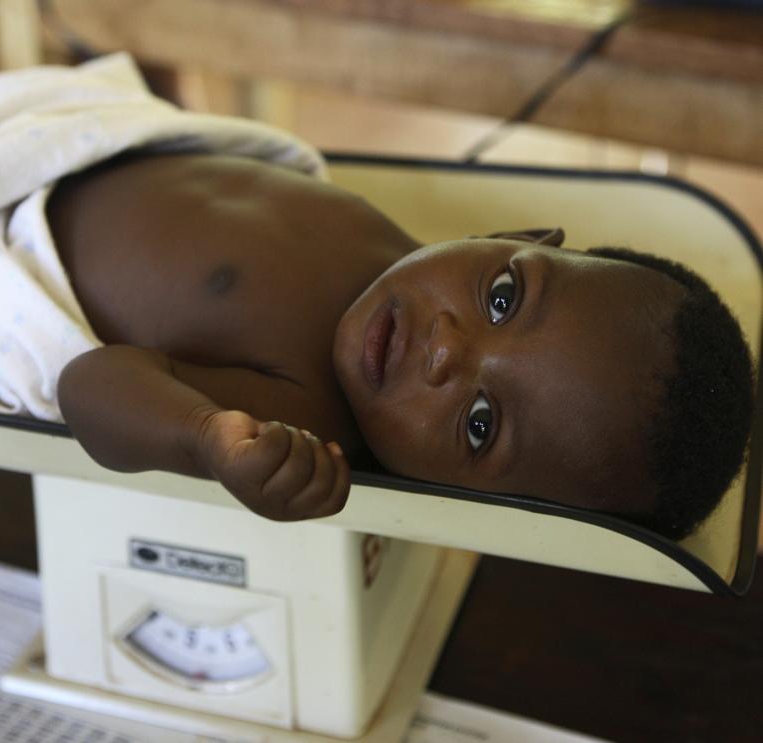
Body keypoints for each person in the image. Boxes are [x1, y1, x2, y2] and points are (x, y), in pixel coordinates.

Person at [51, 152, 754, 540]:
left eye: (481, 423)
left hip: (16, 225)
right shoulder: (393, 248)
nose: (447, 350)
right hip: (79, 140)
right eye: (503, 296)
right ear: (517, 237)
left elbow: (85, 387)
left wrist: (202, 437)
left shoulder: (313, 417)